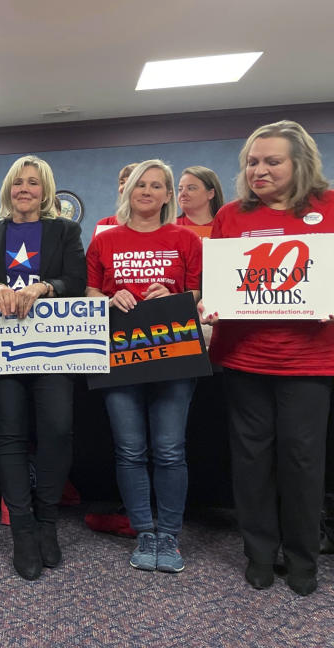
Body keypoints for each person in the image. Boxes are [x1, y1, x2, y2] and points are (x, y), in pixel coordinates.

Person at [205, 120, 334, 596]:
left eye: (271, 161)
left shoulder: (330, 208)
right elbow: (218, 280)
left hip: (310, 360)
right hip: (244, 357)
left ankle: (303, 559)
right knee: (251, 460)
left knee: (303, 462)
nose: (258, 170)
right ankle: (259, 553)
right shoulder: (233, 216)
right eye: (252, 162)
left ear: (300, 163)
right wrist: (209, 300)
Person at [86, 159, 202, 574]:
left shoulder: (186, 239)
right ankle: (143, 531)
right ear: (128, 190)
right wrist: (106, 298)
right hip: (120, 352)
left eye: (157, 186)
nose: (147, 191)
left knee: (170, 449)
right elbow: (89, 291)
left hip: (174, 350)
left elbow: (200, 293)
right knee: (130, 449)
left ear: (169, 195)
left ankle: (168, 535)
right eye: (141, 184)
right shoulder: (105, 240)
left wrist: (170, 292)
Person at [0, 155, 86, 579]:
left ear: (45, 191)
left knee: (58, 430)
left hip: (55, 349)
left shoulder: (65, 230)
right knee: (9, 437)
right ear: (8, 189)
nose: (25, 189)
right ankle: (22, 528)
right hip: (5, 349)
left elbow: (76, 280)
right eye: (18, 182)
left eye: (33, 183)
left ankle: (47, 522)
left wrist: (44, 286)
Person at [91, 163, 138, 236]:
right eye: (122, 183)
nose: (123, 187)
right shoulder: (105, 224)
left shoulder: (159, 226)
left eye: (130, 182)